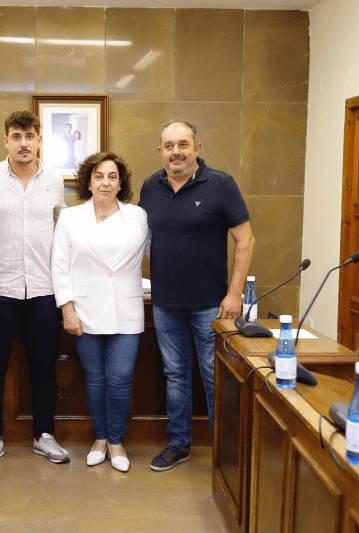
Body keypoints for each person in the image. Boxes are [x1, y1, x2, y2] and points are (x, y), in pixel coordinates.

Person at [139, 120, 255, 472]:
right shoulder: (150, 187)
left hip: (212, 306)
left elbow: (245, 240)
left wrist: (234, 294)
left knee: (214, 376)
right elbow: (144, 238)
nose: (176, 152)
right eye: (169, 146)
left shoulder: (221, 184)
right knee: (175, 375)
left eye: (183, 144)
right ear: (160, 151)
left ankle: (225, 453)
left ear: (197, 148)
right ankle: (179, 444)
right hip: (165, 304)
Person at [0, 110, 69, 467]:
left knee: (43, 367)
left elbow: (63, 231)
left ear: (40, 140)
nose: (23, 143)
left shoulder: (54, 181)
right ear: (6, 141)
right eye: (16, 136)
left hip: (44, 290)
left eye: (30, 136)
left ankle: (44, 435)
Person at [52, 152, 148, 473]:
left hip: (127, 308)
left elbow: (156, 252)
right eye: (99, 176)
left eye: (112, 176)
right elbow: (59, 266)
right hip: (85, 310)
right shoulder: (70, 218)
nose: (105, 183)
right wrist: (67, 310)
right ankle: (101, 439)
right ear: (89, 182)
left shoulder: (138, 216)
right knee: (94, 378)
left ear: (121, 183)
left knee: (120, 377)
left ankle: (117, 442)